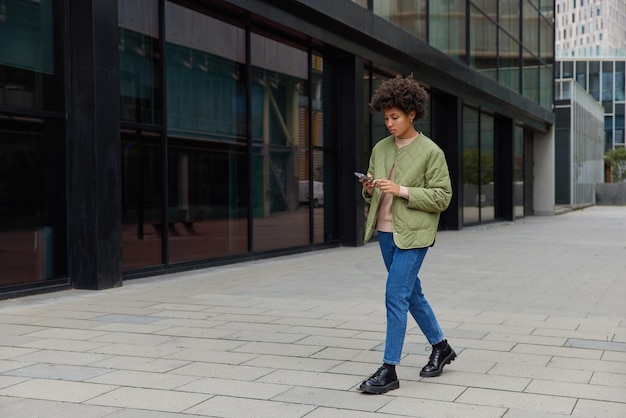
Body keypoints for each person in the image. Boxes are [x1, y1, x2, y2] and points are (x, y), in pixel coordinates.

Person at [357, 74, 455, 394]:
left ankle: (389, 369)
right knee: (412, 294)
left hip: (414, 234)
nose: (389, 123)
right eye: (385, 117)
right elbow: (373, 197)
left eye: (395, 117)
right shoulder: (380, 148)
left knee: (395, 295)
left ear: (411, 114)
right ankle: (441, 347)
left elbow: (442, 196)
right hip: (386, 233)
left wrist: (402, 190)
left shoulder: (431, 152)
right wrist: (370, 189)